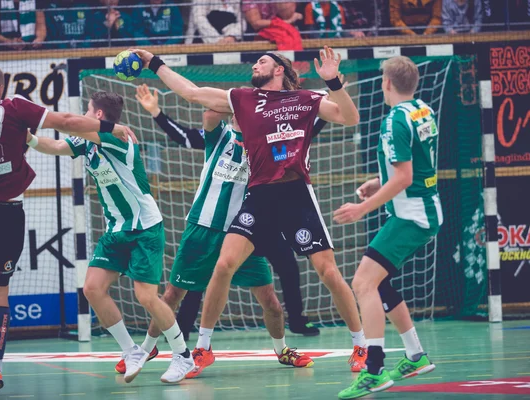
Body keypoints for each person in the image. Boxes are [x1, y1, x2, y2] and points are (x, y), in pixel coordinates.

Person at [130, 45, 368, 377]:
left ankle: (361, 346)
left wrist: (333, 83)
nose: (255, 64)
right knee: (224, 264)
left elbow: (350, 117)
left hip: (296, 193)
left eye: (263, 60)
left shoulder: (304, 99)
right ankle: (204, 347)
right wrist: (154, 63)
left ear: (279, 70)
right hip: (258, 196)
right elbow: (193, 93)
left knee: (327, 272)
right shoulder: (243, 99)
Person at [0, 65, 134, 396]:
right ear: (2, 87)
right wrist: (110, 126)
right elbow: (67, 122)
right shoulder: (15, 107)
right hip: (8, 215)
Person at [113, 85, 316, 377]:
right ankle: (146, 348)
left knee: (270, 301)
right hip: (202, 228)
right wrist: (240, 105)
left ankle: (282, 349)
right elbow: (209, 113)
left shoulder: (265, 144)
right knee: (172, 295)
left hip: (243, 233)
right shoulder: (221, 135)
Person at [25, 91, 195, 384]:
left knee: (146, 297)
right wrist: (28, 138)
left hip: (144, 228)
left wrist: (27, 114)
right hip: (116, 229)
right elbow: (54, 145)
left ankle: (183, 356)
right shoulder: (89, 143)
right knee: (92, 288)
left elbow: (69, 125)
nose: (84, 115)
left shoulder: (119, 139)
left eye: (88, 110)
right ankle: (130, 351)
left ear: (99, 115)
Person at [334, 56, 441, 399]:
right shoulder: (422, 109)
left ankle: (374, 371)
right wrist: (377, 180)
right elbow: (414, 166)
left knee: (363, 283)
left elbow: (406, 177)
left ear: (386, 84)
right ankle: (414, 355)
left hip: (411, 216)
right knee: (379, 283)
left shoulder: (394, 120)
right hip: (423, 209)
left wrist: (363, 207)